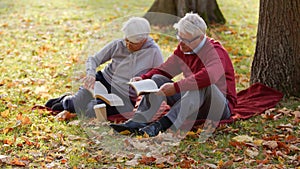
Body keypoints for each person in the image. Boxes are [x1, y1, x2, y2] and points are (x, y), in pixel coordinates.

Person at [110, 13, 237, 137]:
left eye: (186, 40)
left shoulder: (215, 51)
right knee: (157, 79)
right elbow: (165, 69)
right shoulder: (183, 49)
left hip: (218, 107)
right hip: (193, 103)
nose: (181, 43)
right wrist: (144, 78)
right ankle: (138, 120)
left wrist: (176, 87)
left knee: (202, 85)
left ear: (200, 37)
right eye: (179, 38)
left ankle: (161, 125)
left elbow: (209, 77)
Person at [45, 17, 164, 118]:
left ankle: (84, 103)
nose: (127, 45)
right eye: (126, 40)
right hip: (103, 81)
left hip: (124, 96)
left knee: (92, 110)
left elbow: (159, 76)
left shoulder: (154, 52)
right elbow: (93, 59)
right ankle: (68, 100)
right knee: (73, 105)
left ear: (144, 40)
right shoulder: (118, 44)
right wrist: (91, 74)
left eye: (132, 43)